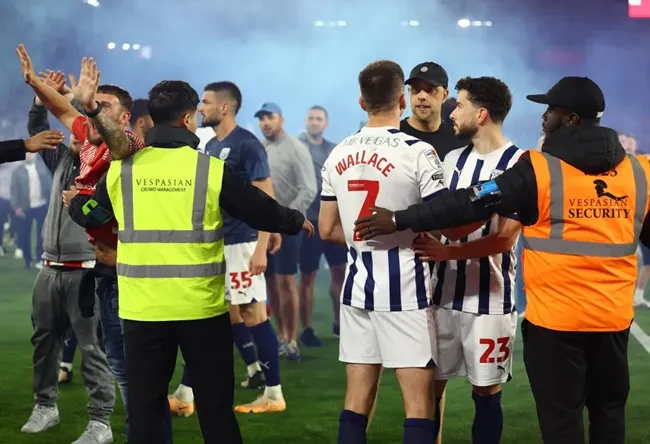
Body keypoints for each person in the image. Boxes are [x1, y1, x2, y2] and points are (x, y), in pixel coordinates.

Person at [354, 76, 650, 444]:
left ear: (571, 119)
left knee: (561, 422)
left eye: (551, 110)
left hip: (554, 325)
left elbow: (472, 202)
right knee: (609, 417)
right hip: (613, 323)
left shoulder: (538, 169)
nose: (544, 117)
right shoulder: (641, 172)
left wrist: (400, 218)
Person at [68, 80, 314, 444]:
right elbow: (257, 208)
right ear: (187, 119)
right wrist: (296, 221)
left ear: (152, 119)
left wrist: (75, 203)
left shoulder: (122, 170)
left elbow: (91, 213)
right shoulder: (209, 169)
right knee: (216, 411)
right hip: (200, 309)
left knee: (146, 410)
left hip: (142, 310)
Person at [320, 59, 475, 444]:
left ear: (361, 102)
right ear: (401, 102)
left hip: (357, 289)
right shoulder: (418, 152)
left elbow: (326, 229)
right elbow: (442, 220)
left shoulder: (338, 152)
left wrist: (363, 240)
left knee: (356, 399)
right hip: (405, 288)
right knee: (419, 404)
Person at [413, 77, 523, 444]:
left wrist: (448, 251)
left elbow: (506, 237)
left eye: (458, 105)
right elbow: (444, 222)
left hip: (490, 300)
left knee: (486, 394)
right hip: (442, 294)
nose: (451, 112)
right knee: (429, 389)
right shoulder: (452, 159)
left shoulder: (519, 163)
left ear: (482, 113)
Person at [167, 81, 286, 416]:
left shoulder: (246, 145)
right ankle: (186, 395)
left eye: (205, 102)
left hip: (243, 244)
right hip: (221, 243)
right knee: (212, 317)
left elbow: (265, 197)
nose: (200, 108)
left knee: (252, 314)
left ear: (225, 107)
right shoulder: (211, 146)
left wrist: (261, 247)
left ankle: (273, 394)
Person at [18, 67, 115, 444]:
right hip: (49, 267)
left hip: (87, 269)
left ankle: (100, 422)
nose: (72, 136)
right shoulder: (58, 161)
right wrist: (39, 94)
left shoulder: (107, 166)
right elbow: (35, 128)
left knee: (92, 349)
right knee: (43, 341)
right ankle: (45, 407)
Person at [257, 102, 317, 360]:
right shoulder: (260, 148)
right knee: (270, 281)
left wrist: (285, 219)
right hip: (264, 227)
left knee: (286, 281)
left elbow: (309, 188)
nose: (265, 123)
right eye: (261, 119)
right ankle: (282, 335)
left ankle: (292, 339)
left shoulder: (296, 148)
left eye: (269, 117)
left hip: (288, 226)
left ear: (281, 119)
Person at [298, 105, 347, 343]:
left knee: (341, 271)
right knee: (308, 276)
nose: (315, 122)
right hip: (308, 221)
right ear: (306, 121)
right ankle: (306, 329)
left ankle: (340, 324)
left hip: (333, 219)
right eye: (311, 118)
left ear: (325, 123)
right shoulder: (297, 147)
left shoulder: (335, 149)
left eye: (319, 119)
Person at [400, 62, 466, 160]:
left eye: (430, 90)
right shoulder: (393, 138)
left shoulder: (461, 144)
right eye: (416, 89)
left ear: (444, 95)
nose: (422, 96)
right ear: (409, 92)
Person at [10, 151, 51, 269]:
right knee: (24, 235)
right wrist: (16, 207)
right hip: (25, 207)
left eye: (31, 153)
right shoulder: (18, 171)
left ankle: (39, 258)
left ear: (35, 155)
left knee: (41, 235)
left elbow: (48, 184)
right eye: (27, 153)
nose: (29, 155)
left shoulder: (42, 168)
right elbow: (14, 190)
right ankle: (27, 259)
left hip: (41, 205)